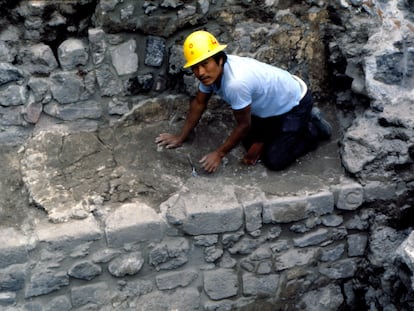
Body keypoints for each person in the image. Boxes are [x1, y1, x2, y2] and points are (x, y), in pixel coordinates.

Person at [155, 30, 332, 173]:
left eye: (205, 64)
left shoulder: (235, 83)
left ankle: (311, 127)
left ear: (220, 60)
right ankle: (280, 130)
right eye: (195, 67)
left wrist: (219, 154)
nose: (200, 72)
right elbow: (199, 104)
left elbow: (243, 125)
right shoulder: (211, 75)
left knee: (274, 160)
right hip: (270, 106)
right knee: (248, 144)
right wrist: (180, 137)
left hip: (295, 102)